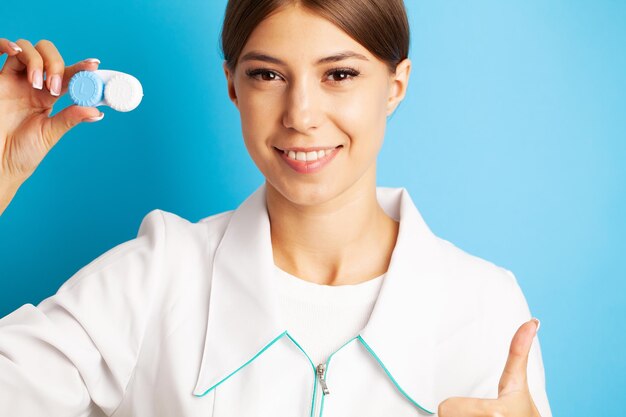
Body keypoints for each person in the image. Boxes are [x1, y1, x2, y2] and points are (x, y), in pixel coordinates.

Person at [0, 0, 552, 416]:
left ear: (395, 86)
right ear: (233, 87)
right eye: (268, 75)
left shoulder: (484, 306)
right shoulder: (155, 276)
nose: (301, 115)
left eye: (339, 74)